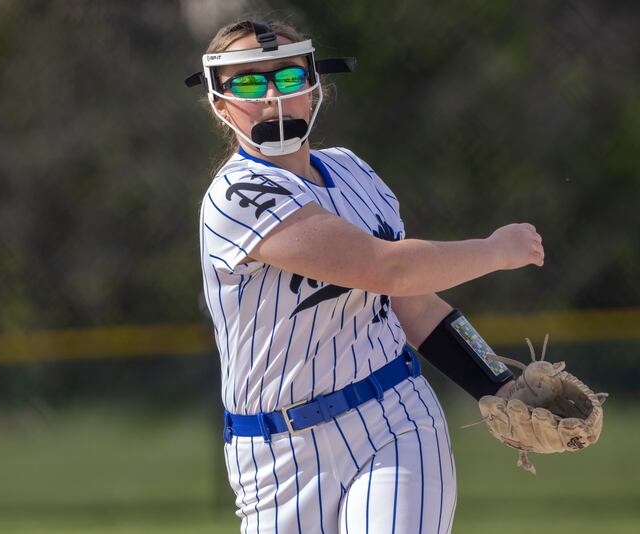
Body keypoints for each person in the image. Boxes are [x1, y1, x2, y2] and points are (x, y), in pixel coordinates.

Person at [186, 20, 544, 534]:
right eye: (247, 82)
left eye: (287, 77)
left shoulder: (354, 172)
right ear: (220, 103)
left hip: (394, 420)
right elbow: (387, 269)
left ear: (314, 87)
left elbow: (414, 304)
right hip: (275, 458)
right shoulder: (237, 196)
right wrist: (494, 250)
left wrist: (498, 381)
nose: (271, 95)